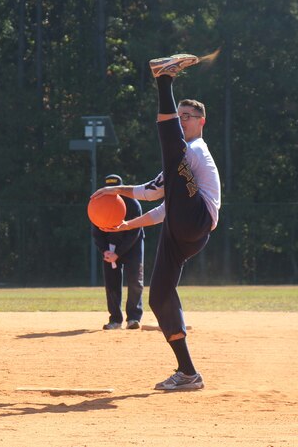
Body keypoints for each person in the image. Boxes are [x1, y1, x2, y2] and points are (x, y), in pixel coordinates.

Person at [91, 51, 221, 390]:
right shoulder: (180, 167)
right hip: (182, 228)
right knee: (159, 296)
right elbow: (161, 204)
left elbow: (156, 191)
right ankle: (188, 372)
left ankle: (164, 80)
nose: (183, 121)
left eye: (188, 117)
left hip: (197, 221)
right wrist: (125, 224)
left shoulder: (193, 152)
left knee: (173, 149)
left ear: (201, 122)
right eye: (179, 116)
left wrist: (116, 189)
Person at [92, 174, 144, 330]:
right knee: (111, 282)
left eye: (115, 189)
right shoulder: (98, 204)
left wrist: (119, 253)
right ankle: (115, 319)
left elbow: (134, 232)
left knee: (135, 280)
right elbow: (97, 232)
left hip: (132, 246)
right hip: (110, 248)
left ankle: (133, 318)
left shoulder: (132, 204)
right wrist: (105, 251)